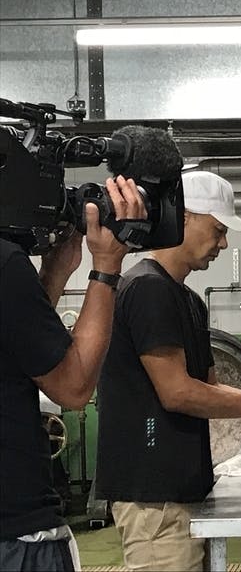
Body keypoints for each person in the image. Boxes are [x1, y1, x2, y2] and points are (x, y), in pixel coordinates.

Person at [95, 170, 241, 572]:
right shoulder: (147, 289)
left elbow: (208, 388)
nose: (224, 243)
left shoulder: (187, 299)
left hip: (183, 493)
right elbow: (177, 393)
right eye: (218, 230)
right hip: (155, 501)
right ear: (182, 217)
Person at [1, 140, 152, 569]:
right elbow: (73, 387)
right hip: (15, 535)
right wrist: (106, 265)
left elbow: (16, 347)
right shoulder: (5, 265)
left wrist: (51, 275)